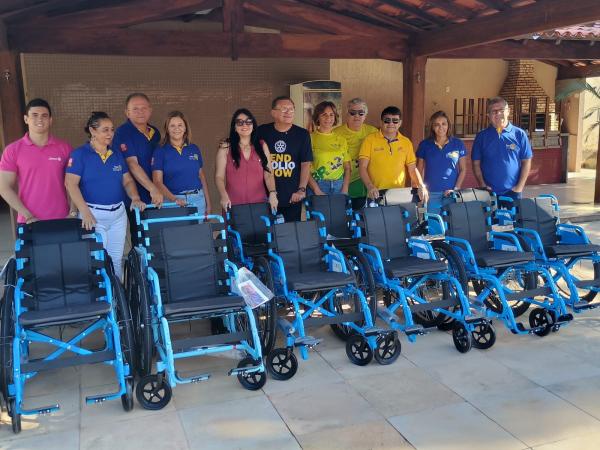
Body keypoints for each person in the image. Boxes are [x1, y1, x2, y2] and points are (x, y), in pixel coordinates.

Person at [65, 112, 145, 279]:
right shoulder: (80, 154)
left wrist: (135, 197)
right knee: (97, 260)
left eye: (112, 129)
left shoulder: (115, 154)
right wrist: (84, 212)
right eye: (105, 130)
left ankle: (116, 300)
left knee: (116, 260)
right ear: (92, 131)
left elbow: (128, 180)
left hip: (118, 215)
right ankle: (102, 300)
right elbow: (70, 184)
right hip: (93, 215)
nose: (110, 134)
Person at [0, 98, 73, 224]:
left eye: (44, 116)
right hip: (28, 221)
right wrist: (28, 215)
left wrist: (73, 212)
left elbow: (74, 183)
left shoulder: (65, 148)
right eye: (34, 115)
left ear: (50, 120)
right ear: (26, 119)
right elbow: (4, 187)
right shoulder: (12, 150)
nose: (40, 119)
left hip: (62, 218)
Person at [112, 93, 163, 243]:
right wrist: (152, 188)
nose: (140, 112)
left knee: (158, 237)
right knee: (141, 239)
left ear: (150, 110)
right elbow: (132, 164)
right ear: (127, 112)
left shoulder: (155, 133)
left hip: (157, 195)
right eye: (135, 109)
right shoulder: (122, 133)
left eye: (144, 108)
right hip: (136, 196)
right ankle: (140, 267)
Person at [256, 96, 312, 222]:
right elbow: (243, 142)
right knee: (267, 235)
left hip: (292, 196)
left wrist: (301, 190)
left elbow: (305, 164)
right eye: (284, 109)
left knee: (290, 234)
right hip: (265, 196)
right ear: (273, 113)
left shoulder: (302, 134)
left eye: (291, 109)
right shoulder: (261, 131)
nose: (288, 112)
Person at [359, 106, 428, 204]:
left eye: (395, 121)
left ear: (400, 123)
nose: (391, 123)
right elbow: (362, 167)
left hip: (398, 195)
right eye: (387, 120)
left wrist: (421, 185)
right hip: (375, 194)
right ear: (381, 122)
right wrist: (370, 186)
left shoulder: (406, 142)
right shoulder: (369, 140)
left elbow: (412, 169)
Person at [472, 96, 532, 204]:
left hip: (513, 192)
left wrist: (519, 187)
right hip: (489, 193)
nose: (498, 114)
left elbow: (526, 161)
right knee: (490, 221)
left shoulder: (519, 134)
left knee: (513, 221)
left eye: (501, 110)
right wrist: (483, 185)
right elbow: (476, 163)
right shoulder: (481, 137)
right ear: (488, 115)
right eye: (494, 111)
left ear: (508, 111)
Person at [215, 108, 277, 211]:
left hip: (259, 203)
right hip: (233, 204)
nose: (244, 125)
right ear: (234, 127)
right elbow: (219, 176)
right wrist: (223, 196)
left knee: (261, 227)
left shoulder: (262, 145)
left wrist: (272, 193)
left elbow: (269, 174)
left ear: (253, 126)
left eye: (248, 122)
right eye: (240, 122)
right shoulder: (226, 147)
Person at [152, 111, 211, 216]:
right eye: (172, 126)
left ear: (185, 128)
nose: (176, 128)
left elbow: (201, 176)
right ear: (167, 129)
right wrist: (174, 199)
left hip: (198, 200)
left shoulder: (194, 148)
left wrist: (208, 204)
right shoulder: (160, 151)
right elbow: (157, 181)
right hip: (173, 202)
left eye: (180, 125)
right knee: (177, 232)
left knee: (198, 232)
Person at [416, 111, 466, 214]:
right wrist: (421, 188)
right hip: (431, 193)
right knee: (434, 226)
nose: (441, 127)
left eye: (444, 124)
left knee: (452, 226)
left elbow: (463, 169)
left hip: (451, 193)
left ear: (448, 125)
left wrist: (456, 189)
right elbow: (419, 169)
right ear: (432, 127)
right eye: (436, 125)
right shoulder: (425, 145)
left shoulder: (458, 144)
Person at [333, 98, 378, 209]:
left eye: (361, 113)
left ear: (365, 115)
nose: (356, 116)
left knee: (362, 218)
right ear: (347, 114)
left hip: (364, 180)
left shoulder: (373, 132)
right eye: (352, 113)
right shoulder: (336, 133)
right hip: (342, 180)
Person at [307, 101, 350, 196]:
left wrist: (345, 188)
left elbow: (347, 167)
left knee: (338, 211)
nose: (328, 118)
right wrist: (316, 190)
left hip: (339, 185)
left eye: (331, 115)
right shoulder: (309, 138)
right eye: (324, 114)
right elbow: (305, 168)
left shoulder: (341, 140)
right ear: (317, 117)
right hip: (318, 185)